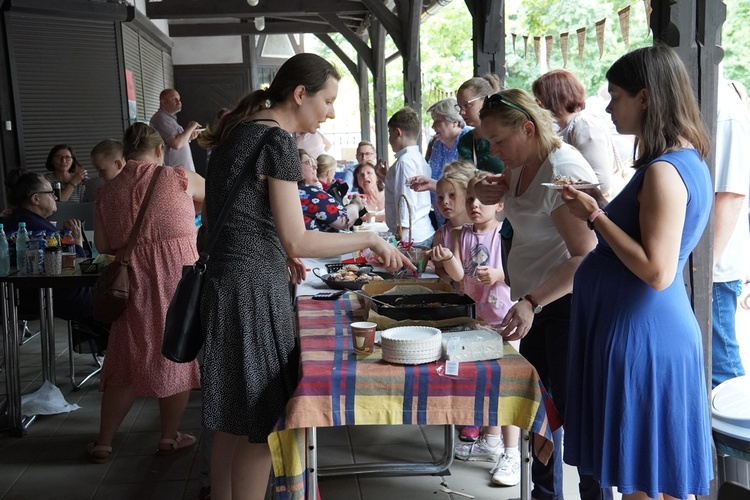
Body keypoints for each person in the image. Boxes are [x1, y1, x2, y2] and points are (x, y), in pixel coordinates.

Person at [196, 53, 412, 500]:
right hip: (254, 292)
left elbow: (241, 219)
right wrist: (368, 240)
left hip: (227, 285)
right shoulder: (275, 141)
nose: (330, 112)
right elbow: (299, 240)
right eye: (328, 100)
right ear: (300, 95)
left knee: (232, 422)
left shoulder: (238, 132)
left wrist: (275, 247)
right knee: (261, 425)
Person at [560, 44, 714, 499]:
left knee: (643, 481)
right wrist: (603, 207)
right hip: (644, 330)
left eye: (616, 95)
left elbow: (657, 270)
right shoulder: (679, 162)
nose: (608, 107)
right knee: (652, 478)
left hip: (645, 336)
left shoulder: (666, 171)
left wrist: (595, 216)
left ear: (645, 98)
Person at [473, 89, 605, 500]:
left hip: (564, 306)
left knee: (576, 418)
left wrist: (533, 302)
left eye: (498, 141)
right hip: (535, 304)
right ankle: (545, 495)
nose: (493, 150)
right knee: (539, 413)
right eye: (488, 141)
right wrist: (484, 185)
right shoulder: (520, 162)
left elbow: (587, 255)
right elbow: (499, 197)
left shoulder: (562, 168)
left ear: (528, 128)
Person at [88, 122, 206, 463]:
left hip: (133, 283)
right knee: (176, 355)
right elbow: (213, 202)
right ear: (159, 150)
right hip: (178, 280)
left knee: (125, 359)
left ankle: (103, 442)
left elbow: (104, 244)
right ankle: (168, 438)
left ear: (124, 154)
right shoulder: (179, 178)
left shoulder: (106, 192)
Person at [432, 172, 521, 487]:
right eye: (470, 198)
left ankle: (511, 453)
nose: (474, 205)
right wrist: (445, 259)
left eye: (482, 199)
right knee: (481, 382)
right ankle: (491, 439)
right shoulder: (460, 233)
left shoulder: (505, 233)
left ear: (499, 204)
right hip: (474, 319)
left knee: (506, 386)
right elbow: (458, 277)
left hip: (503, 319)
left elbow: (516, 276)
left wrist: (497, 274)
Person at [3, 169, 102, 329]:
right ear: (36, 198)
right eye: (50, 193)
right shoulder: (37, 228)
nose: (56, 197)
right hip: (45, 294)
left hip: (21, 295)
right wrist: (76, 242)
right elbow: (72, 267)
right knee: (110, 295)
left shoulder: (18, 219)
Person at [710, 78, 750, 387]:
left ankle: (737, 436)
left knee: (722, 367)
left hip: (715, 268)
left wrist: (706, 269)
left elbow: (732, 194)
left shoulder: (724, 107)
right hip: (707, 261)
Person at [532, 69, 620, 197]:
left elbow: (600, 182)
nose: (537, 106)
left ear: (554, 98)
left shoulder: (584, 125)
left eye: (539, 100)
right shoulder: (564, 128)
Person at [385, 107, 435, 246]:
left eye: (390, 133)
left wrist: (400, 238)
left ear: (398, 132)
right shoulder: (418, 158)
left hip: (412, 237)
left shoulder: (405, 161)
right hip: (422, 231)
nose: (389, 139)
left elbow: (406, 199)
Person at [427, 98, 472, 226]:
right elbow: (433, 176)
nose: (433, 126)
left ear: (455, 122)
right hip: (444, 215)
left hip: (465, 218)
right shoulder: (438, 144)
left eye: (438, 121)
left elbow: (465, 183)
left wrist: (432, 185)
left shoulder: (467, 137)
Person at [298, 148, 364, 232]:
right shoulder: (307, 192)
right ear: (296, 168)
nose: (315, 167)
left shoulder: (297, 192)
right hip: (326, 243)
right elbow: (344, 219)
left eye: (313, 162)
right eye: (308, 163)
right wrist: (356, 204)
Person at [429, 160, 473, 284]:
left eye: (452, 195)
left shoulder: (481, 229)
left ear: (467, 196)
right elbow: (439, 269)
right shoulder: (440, 235)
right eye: (440, 197)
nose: (445, 202)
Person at [149, 88, 201, 172]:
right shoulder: (160, 118)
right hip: (174, 172)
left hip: (182, 171)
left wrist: (188, 137)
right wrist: (190, 127)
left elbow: (178, 140)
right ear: (163, 102)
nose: (178, 101)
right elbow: (176, 144)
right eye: (173, 99)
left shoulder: (169, 118)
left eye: (179, 98)